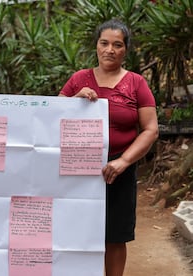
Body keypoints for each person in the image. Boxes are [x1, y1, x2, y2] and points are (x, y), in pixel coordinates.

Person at [58, 19, 158, 276]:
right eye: (104, 43)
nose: (109, 50)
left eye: (117, 44)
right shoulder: (79, 79)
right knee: (79, 231)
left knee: (115, 235)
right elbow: (52, 118)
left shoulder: (136, 83)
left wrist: (124, 161)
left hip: (119, 170)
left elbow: (150, 129)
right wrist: (74, 101)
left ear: (126, 50)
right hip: (78, 169)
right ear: (96, 46)